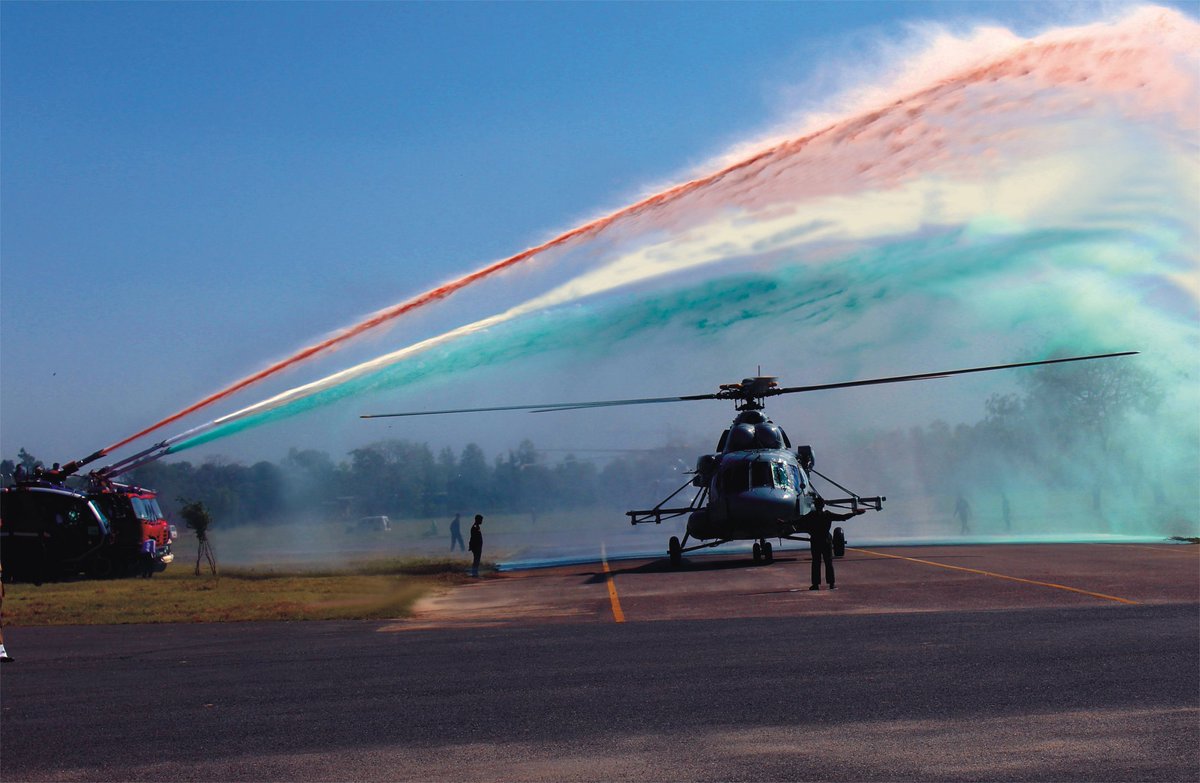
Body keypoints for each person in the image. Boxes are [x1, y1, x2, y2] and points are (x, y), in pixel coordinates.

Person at [804, 498, 861, 591]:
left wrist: (784, 522)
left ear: (815, 505)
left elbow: (798, 521)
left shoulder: (811, 515)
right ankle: (831, 584)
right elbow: (843, 517)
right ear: (823, 505)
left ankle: (815, 585)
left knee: (816, 563)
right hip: (826, 541)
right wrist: (854, 513)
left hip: (815, 541)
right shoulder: (827, 514)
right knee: (828, 563)